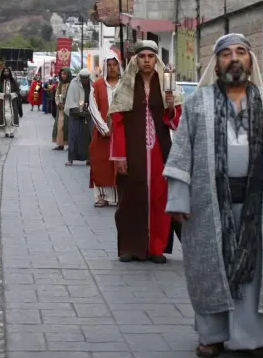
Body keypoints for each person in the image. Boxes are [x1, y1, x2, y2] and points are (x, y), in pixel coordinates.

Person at [163, 33, 263, 358]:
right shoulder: (198, 104)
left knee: (254, 271)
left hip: (259, 206)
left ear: (250, 60)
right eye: (226, 53)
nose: (234, 58)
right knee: (211, 268)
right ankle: (212, 336)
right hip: (207, 205)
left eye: (241, 52)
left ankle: (251, 339)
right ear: (217, 62)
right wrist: (179, 199)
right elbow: (182, 151)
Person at [109, 40, 182, 264]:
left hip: (159, 150)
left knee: (160, 197)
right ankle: (131, 246)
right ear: (136, 60)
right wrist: (120, 156)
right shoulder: (126, 87)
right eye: (143, 57)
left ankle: (157, 247)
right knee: (131, 197)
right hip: (132, 151)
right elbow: (118, 122)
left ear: (156, 59)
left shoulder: (168, 86)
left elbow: (175, 122)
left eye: (151, 56)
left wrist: (171, 107)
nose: (147, 60)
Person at [88, 52, 122, 207]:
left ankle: (120, 197)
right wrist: (104, 128)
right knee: (100, 163)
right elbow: (93, 108)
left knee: (120, 164)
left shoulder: (125, 85)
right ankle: (102, 196)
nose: (112, 68)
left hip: (122, 133)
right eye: (109, 65)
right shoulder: (97, 86)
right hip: (103, 134)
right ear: (105, 67)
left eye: (115, 65)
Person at [64, 69, 92, 165]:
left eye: (86, 79)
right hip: (75, 113)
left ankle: (89, 158)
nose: (84, 81)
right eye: (83, 79)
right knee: (73, 136)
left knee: (89, 137)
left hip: (88, 113)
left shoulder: (92, 84)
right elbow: (70, 100)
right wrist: (79, 110)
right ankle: (70, 159)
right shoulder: (74, 84)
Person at [0, 67, 22, 138]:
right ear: (3, 73)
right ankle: (6, 132)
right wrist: (3, 95)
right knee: (5, 117)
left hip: (12, 102)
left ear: (9, 73)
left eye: (7, 71)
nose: (6, 73)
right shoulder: (0, 81)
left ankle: (11, 132)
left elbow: (17, 90)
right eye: (5, 71)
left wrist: (11, 95)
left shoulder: (13, 81)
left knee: (11, 117)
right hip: (3, 102)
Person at [51, 68, 71, 150]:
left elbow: (73, 97)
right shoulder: (60, 84)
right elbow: (57, 95)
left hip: (69, 109)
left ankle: (70, 145)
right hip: (60, 109)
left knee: (68, 126)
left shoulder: (71, 84)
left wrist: (66, 105)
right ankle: (60, 144)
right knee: (59, 126)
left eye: (65, 74)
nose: (63, 76)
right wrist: (58, 103)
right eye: (62, 74)